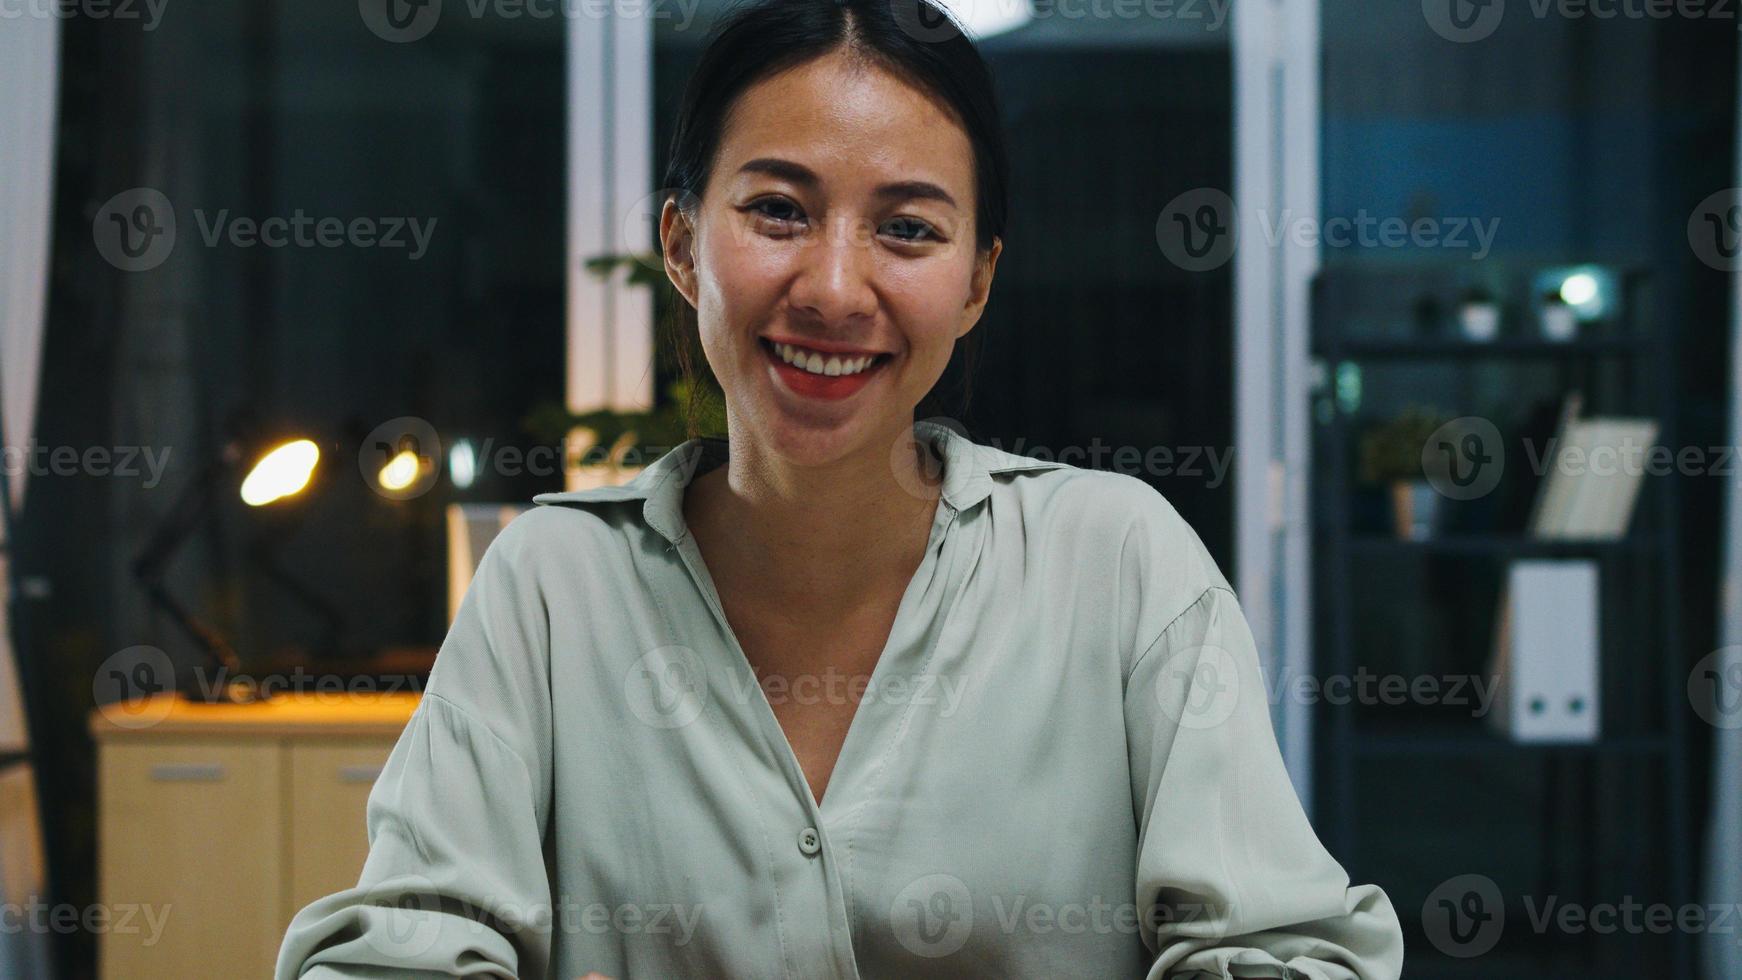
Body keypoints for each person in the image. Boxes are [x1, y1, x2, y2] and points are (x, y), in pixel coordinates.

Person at [275, 1, 1406, 976]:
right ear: (680, 244)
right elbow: (393, 946)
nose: (831, 286)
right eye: (777, 209)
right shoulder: (551, 587)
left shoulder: (1117, 566)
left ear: (974, 283)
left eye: (905, 229)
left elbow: (1291, 947)